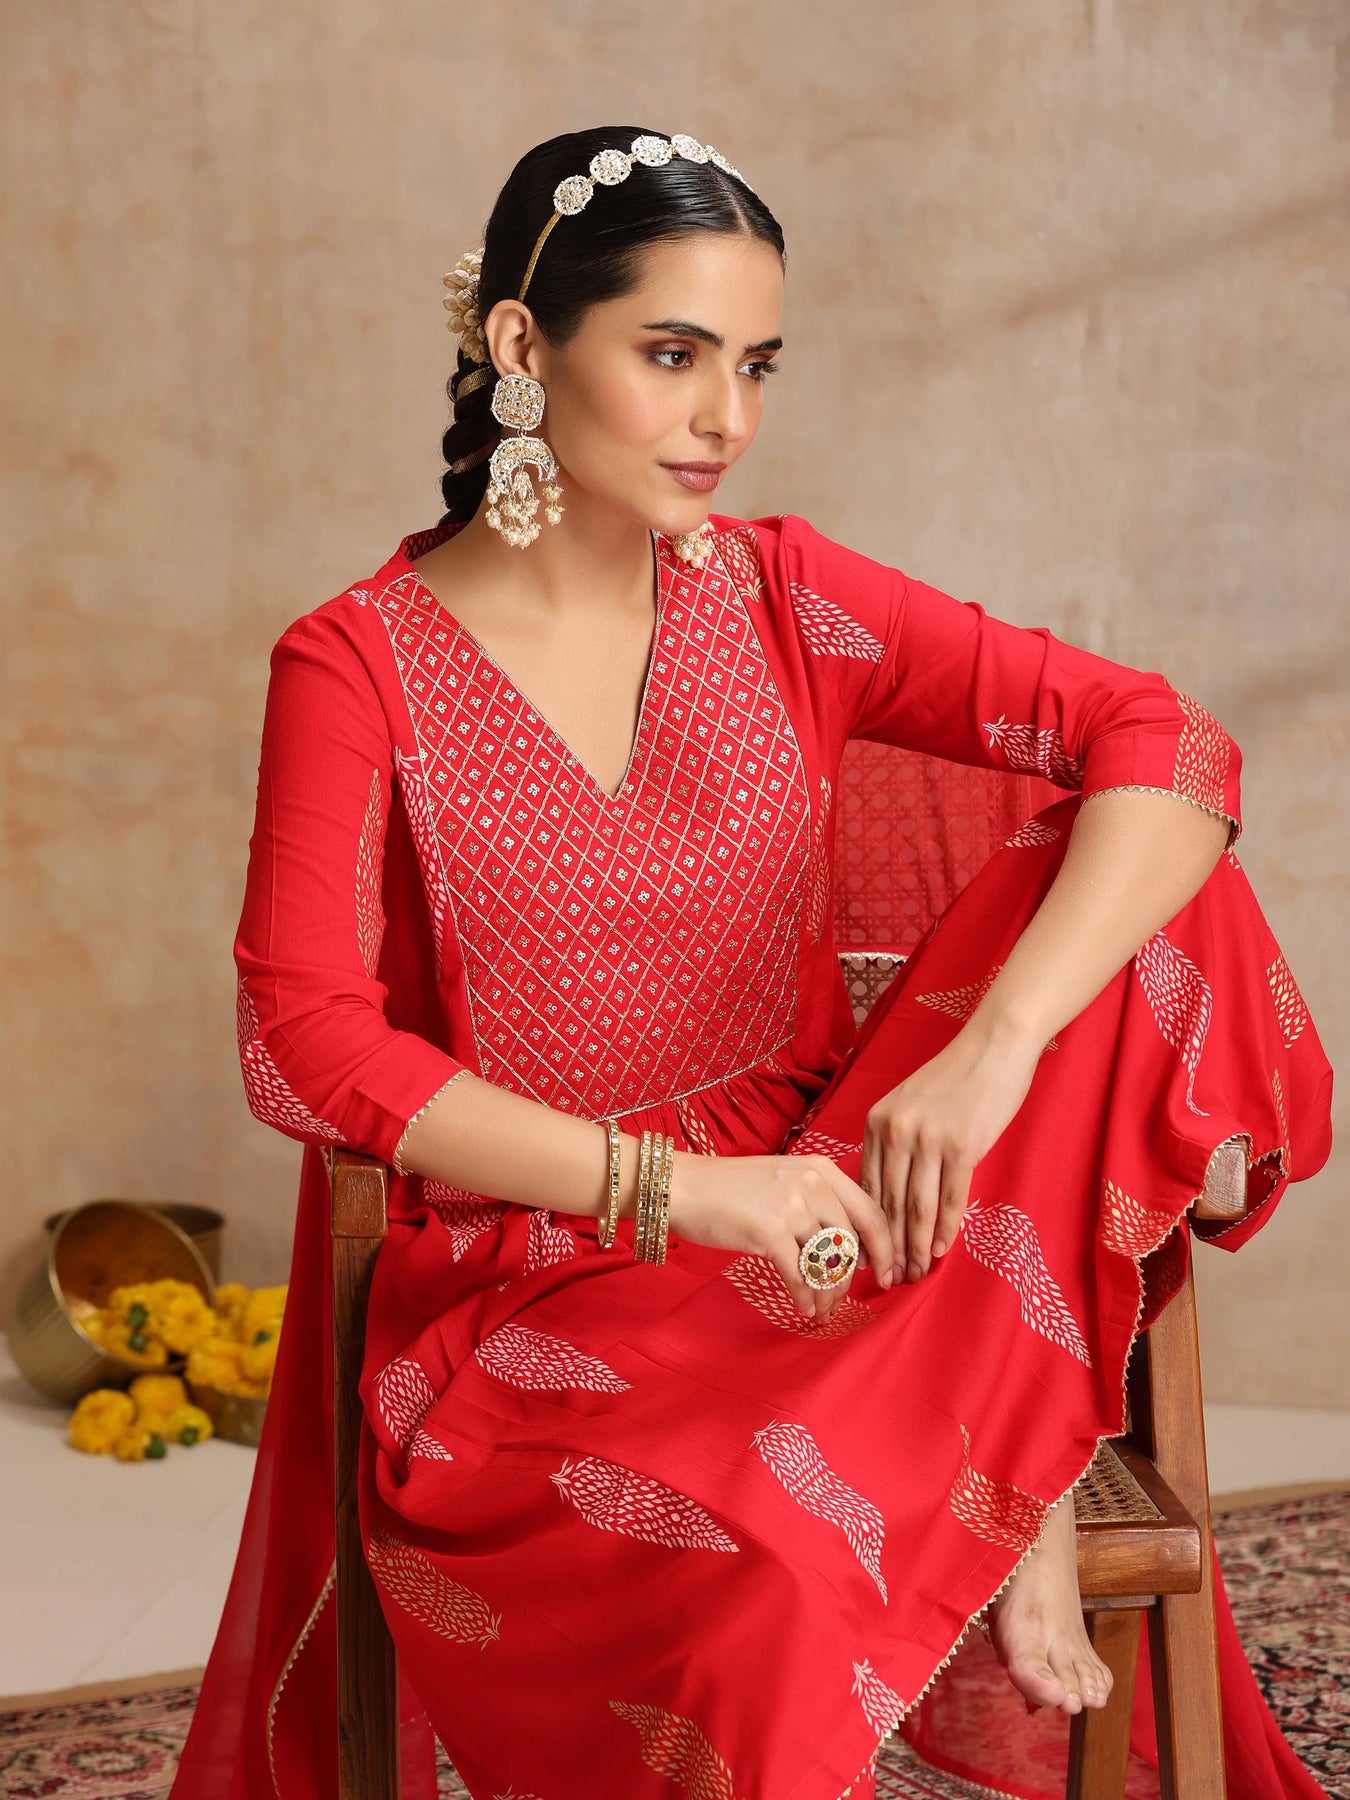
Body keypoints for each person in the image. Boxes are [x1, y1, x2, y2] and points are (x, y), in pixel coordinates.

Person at [169, 127, 1334, 1800]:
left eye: (756, 365)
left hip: (847, 1212)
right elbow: (303, 1043)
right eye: (673, 356)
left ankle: (1003, 1435)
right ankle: (1008, 1444)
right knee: (761, 1579)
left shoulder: (788, 596)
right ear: (522, 343)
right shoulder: (356, 666)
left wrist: (989, 1051)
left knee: (1153, 886)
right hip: (548, 1279)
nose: (726, 416)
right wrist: (681, 1194)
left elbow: (1170, 744)